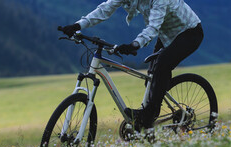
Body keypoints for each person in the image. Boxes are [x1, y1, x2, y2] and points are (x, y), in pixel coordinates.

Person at [60, 0, 203, 131]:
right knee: (152, 76)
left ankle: (148, 116)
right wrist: (78, 25)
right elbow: (105, 9)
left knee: (162, 65)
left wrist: (135, 44)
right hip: (167, 35)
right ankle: (148, 121)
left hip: (189, 33)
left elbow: (153, 27)